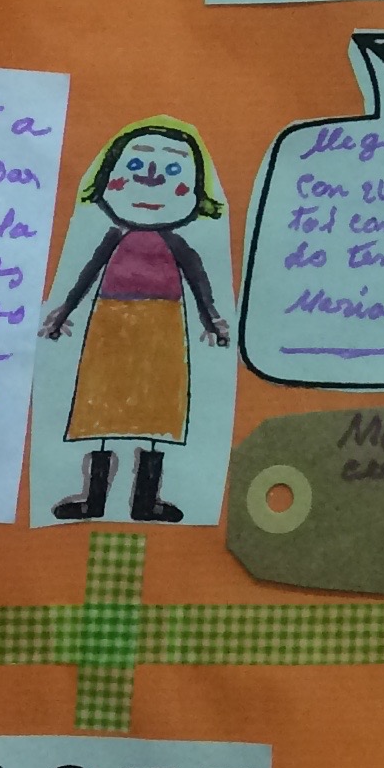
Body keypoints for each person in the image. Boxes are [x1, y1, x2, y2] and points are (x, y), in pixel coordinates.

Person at [41, 121, 231, 525]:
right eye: (135, 167)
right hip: (110, 328)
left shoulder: (177, 244)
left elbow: (198, 282)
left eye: (173, 171)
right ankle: (93, 500)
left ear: (195, 193)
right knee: (100, 413)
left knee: (156, 418)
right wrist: (63, 313)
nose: (151, 181)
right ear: (107, 181)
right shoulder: (113, 238)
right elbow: (87, 275)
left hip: (162, 330)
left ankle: (146, 501)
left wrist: (211, 319)